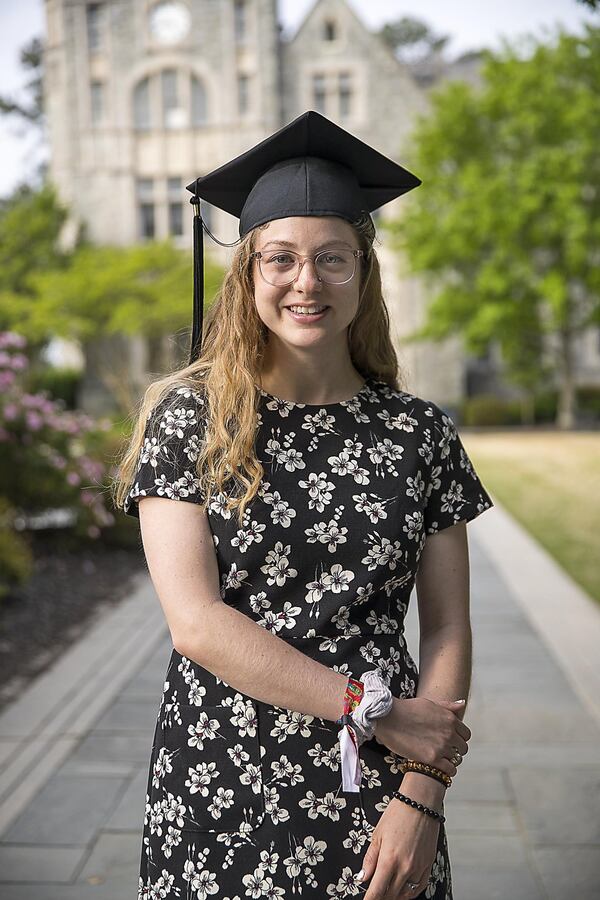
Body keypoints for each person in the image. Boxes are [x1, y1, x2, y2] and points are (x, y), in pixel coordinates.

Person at [115, 110, 493, 900]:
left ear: (365, 272)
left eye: (332, 259)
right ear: (249, 273)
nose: (306, 282)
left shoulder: (419, 434)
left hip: (384, 794)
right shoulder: (190, 419)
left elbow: (450, 626)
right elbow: (198, 624)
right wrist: (377, 711)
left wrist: (422, 788)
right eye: (280, 259)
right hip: (223, 777)